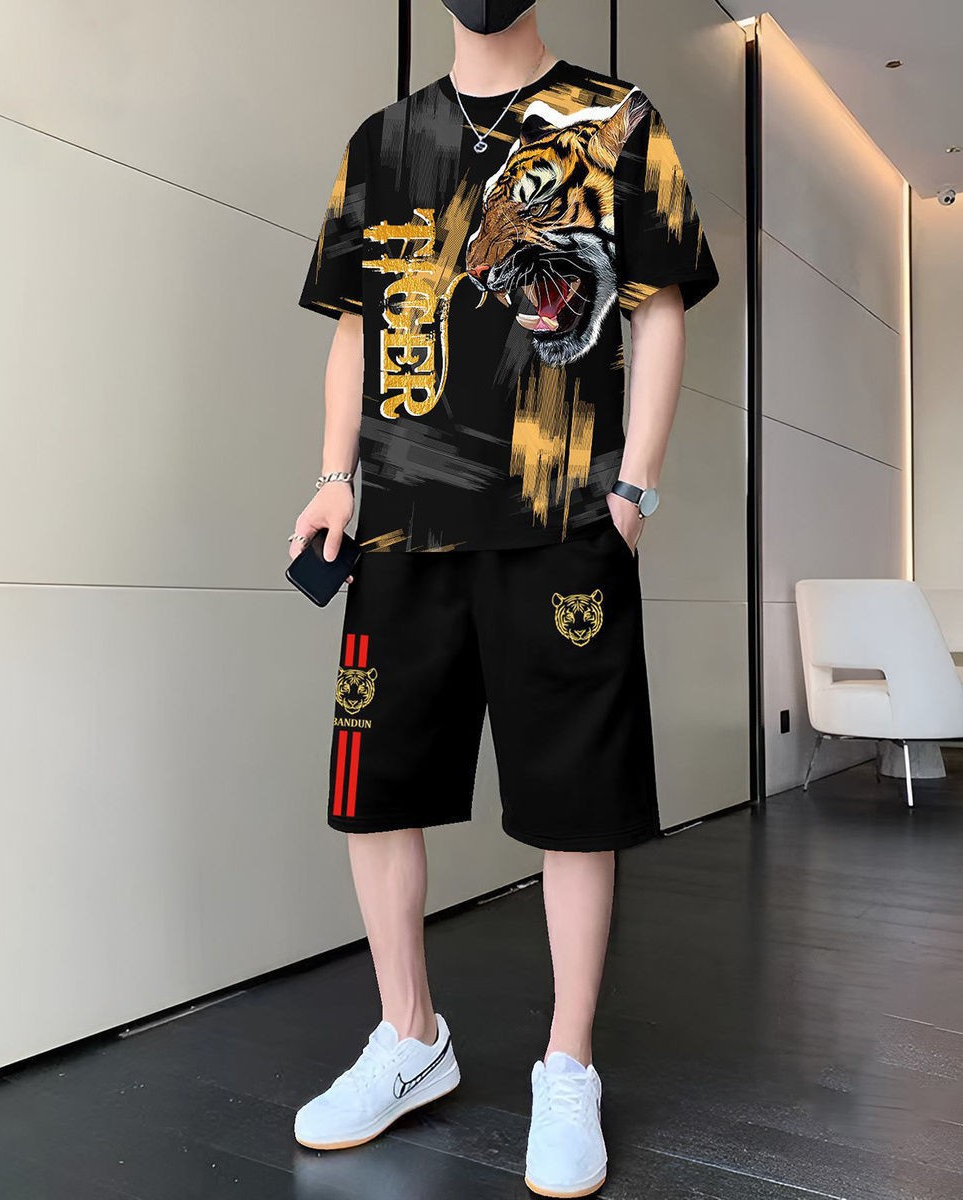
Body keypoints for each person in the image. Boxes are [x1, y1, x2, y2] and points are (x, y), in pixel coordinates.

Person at [288, 1, 719, 1194]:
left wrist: (632, 492)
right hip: (400, 526)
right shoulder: (382, 143)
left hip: (560, 519)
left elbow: (659, 305)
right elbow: (356, 329)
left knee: (577, 804)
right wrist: (334, 478)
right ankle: (409, 1037)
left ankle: (567, 1067)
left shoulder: (617, 119)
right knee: (376, 793)